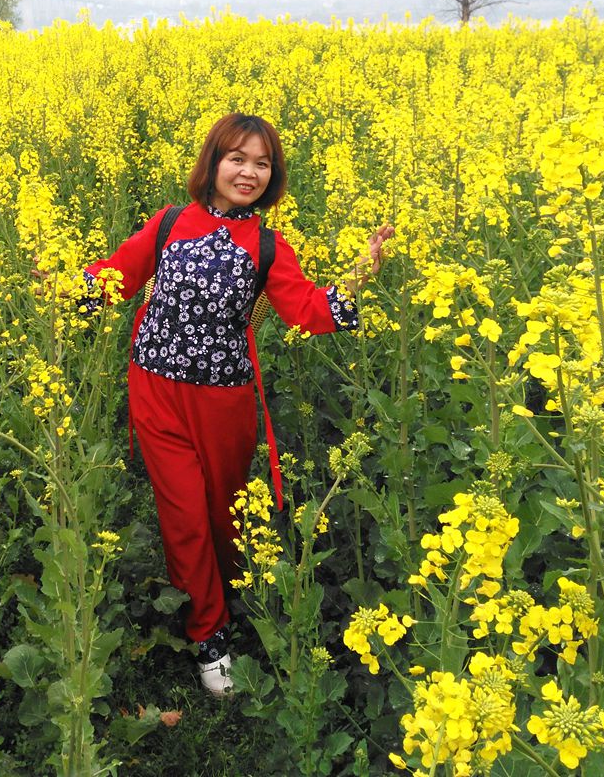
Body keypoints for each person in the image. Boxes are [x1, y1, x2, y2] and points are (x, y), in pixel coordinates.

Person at [81, 113, 393, 696]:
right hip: (156, 391)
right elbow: (117, 277)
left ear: (271, 176)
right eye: (237, 158)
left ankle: (221, 592)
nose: (248, 172)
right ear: (214, 163)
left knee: (223, 514)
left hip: (224, 400)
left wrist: (358, 277)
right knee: (184, 516)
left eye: (262, 163)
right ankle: (209, 633)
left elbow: (306, 310)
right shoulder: (170, 221)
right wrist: (57, 285)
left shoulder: (270, 246)